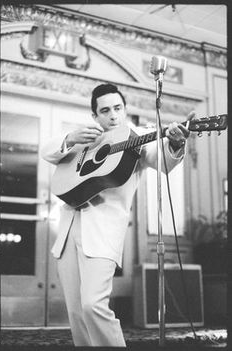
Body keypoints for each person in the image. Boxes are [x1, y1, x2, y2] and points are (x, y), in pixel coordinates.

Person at [41, 83, 190, 347]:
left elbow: (164, 161)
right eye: (105, 110)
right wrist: (70, 138)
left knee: (92, 306)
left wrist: (176, 144)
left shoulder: (138, 140)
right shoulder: (86, 138)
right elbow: (48, 152)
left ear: (125, 109)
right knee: (76, 312)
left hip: (102, 232)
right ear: (95, 116)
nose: (113, 115)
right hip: (67, 230)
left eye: (118, 108)